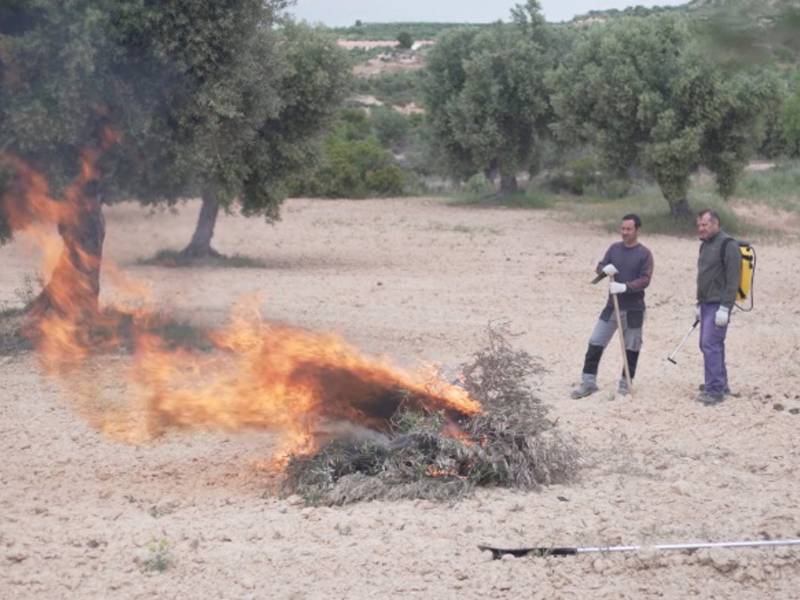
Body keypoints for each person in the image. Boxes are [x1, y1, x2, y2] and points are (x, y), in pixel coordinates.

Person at [571, 214, 654, 398]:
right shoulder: (614, 249)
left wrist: (626, 287)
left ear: (637, 230)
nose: (624, 232)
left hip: (634, 309)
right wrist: (603, 270)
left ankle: (625, 384)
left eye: (628, 229)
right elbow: (600, 266)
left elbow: (645, 279)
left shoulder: (645, 254)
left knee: (631, 347)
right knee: (595, 341)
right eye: (622, 228)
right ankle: (588, 382)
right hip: (611, 306)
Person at [695, 209, 741, 406]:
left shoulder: (728, 245)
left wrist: (725, 307)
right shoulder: (704, 245)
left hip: (719, 304)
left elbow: (733, 279)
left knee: (710, 344)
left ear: (715, 224)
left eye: (704, 225)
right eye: (699, 225)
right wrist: (698, 303)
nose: (701, 228)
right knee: (710, 345)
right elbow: (704, 276)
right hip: (706, 303)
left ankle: (714, 391)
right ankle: (721, 384)